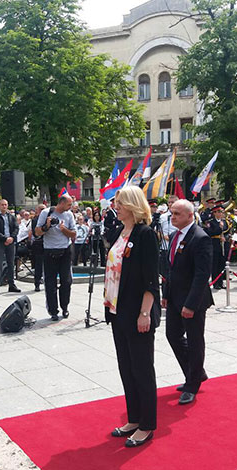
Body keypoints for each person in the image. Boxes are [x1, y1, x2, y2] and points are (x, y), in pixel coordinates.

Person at [104, 186, 160, 448]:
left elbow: (151, 280)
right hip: (117, 310)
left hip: (138, 311)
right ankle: (134, 418)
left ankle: (147, 424)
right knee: (126, 367)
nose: (116, 206)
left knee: (142, 368)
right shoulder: (118, 231)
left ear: (132, 205)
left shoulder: (145, 234)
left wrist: (145, 312)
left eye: (120, 202)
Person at [162, 200, 213, 405]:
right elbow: (170, 270)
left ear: (190, 216)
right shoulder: (175, 236)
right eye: (172, 213)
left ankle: (192, 384)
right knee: (172, 335)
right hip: (174, 297)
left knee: (194, 340)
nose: (173, 217)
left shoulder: (200, 238)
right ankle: (195, 372)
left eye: (177, 214)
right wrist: (165, 293)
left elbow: (202, 275)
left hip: (193, 300)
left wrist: (191, 304)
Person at [35, 194, 76, 320]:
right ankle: (53, 311)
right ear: (61, 203)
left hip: (65, 251)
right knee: (50, 282)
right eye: (69, 204)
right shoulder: (46, 213)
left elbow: (73, 234)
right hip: (49, 251)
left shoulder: (69, 215)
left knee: (66, 281)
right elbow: (37, 232)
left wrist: (63, 229)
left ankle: (65, 307)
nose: (70, 207)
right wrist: (46, 226)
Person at [0, 199, 20, 294]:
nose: (4, 206)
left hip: (10, 242)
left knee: (11, 263)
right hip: (0, 242)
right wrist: (5, 239)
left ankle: (11, 284)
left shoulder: (11, 216)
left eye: (6, 205)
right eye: (2, 205)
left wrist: (11, 237)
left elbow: (16, 228)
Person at [204, 204, 227, 290]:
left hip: (222, 244)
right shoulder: (210, 222)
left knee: (222, 264)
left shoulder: (224, 221)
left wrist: (226, 238)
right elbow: (210, 232)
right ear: (214, 213)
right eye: (219, 212)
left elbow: (227, 231)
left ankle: (221, 282)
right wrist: (219, 229)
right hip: (214, 244)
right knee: (215, 264)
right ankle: (215, 282)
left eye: (221, 212)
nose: (221, 213)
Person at [29, 204, 46, 292]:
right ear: (38, 211)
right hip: (39, 244)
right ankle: (37, 283)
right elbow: (36, 233)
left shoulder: (48, 219)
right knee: (38, 265)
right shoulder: (35, 220)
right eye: (42, 209)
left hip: (49, 244)